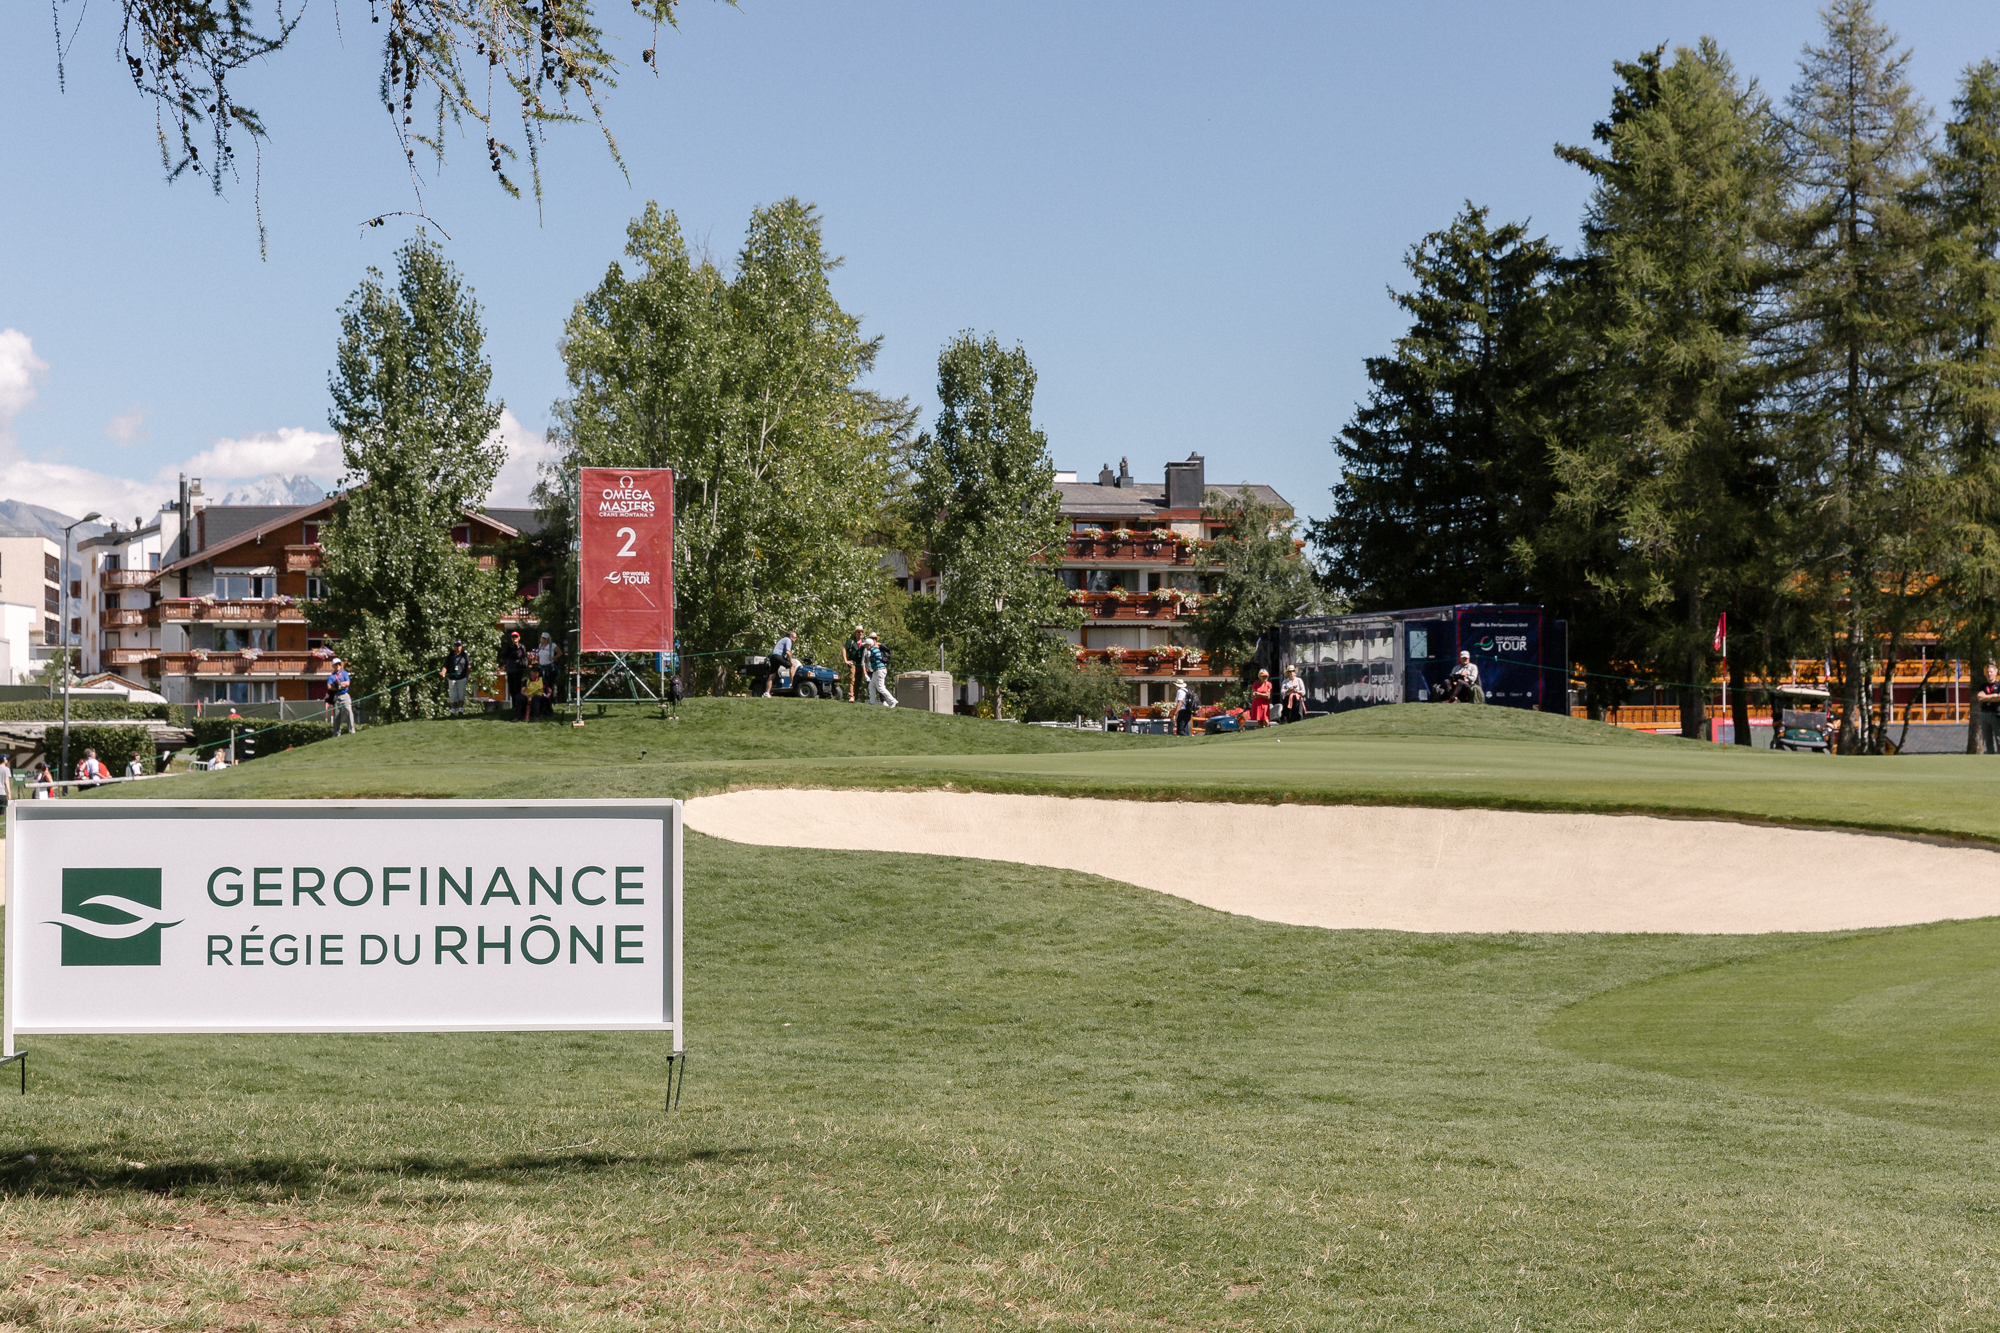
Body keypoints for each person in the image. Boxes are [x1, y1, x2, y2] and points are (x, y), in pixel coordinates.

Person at [326, 656, 357, 735]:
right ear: (333, 666)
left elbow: (347, 683)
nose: (338, 666)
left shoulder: (344, 673)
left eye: (339, 664)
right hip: (336, 696)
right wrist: (337, 687)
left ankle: (351, 730)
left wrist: (338, 685)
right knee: (336, 715)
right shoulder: (331, 676)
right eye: (336, 664)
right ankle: (336, 733)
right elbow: (329, 686)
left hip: (345, 695)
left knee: (349, 711)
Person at [441, 639, 472, 716]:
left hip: (461, 677)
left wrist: (468, 675)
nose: (458, 647)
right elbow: (446, 665)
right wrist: (443, 672)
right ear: (454, 647)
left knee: (461, 695)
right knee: (452, 695)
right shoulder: (451, 655)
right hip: (452, 678)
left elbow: (469, 666)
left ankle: (460, 711)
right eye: (456, 646)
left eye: (459, 646)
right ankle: (453, 711)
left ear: (461, 646)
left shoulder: (465, 655)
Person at [866, 635, 897, 707]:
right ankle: (872, 702)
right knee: (871, 686)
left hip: (879, 670)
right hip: (876, 671)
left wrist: (871, 659)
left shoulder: (874, 650)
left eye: (866, 645)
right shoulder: (873, 649)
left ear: (869, 645)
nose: (865, 647)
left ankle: (893, 701)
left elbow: (879, 657)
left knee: (881, 688)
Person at [764, 628, 795, 697]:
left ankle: (766, 693)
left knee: (772, 675)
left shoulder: (782, 639)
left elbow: (774, 647)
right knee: (792, 666)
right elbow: (788, 652)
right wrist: (791, 661)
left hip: (773, 657)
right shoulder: (788, 640)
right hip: (778, 656)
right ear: (791, 637)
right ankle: (792, 684)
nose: (795, 639)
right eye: (795, 638)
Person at [1978, 662, 2000, 754]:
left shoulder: (1999, 685)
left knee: (1998, 738)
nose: (1989, 674)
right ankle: (1990, 757)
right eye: (1987, 672)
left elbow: (1999, 698)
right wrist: (1994, 696)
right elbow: (1979, 697)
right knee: (1988, 739)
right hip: (1984, 716)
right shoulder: (1983, 686)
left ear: (1996, 672)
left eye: (1991, 672)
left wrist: (1986, 697)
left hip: (1996, 715)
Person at [843, 625, 867, 702]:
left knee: (858, 680)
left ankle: (856, 697)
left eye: (861, 632)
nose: (860, 633)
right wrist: (846, 660)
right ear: (855, 633)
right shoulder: (850, 641)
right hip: (853, 663)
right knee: (852, 679)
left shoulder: (864, 642)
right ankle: (851, 696)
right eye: (859, 632)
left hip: (861, 664)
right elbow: (844, 649)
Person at [536, 632, 560, 706]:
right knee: (541, 684)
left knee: (550, 684)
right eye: (543, 638)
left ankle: (552, 701)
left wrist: (553, 658)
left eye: (545, 638)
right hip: (541, 667)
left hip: (549, 667)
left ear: (548, 638)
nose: (544, 639)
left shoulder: (552, 645)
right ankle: (543, 699)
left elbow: (560, 652)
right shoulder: (540, 646)